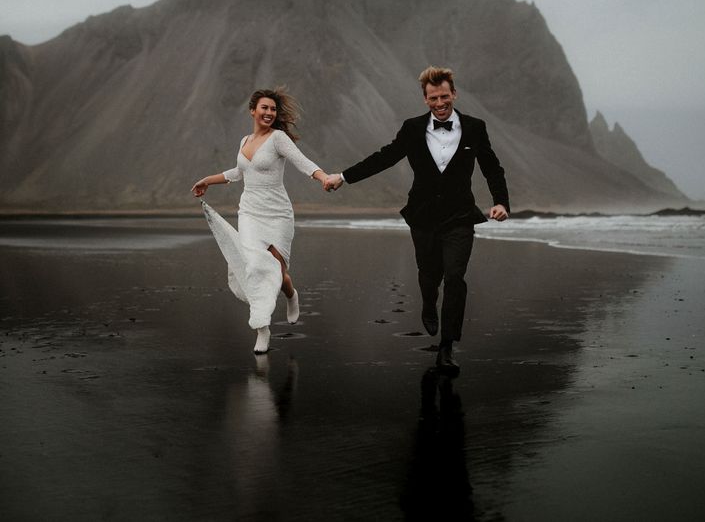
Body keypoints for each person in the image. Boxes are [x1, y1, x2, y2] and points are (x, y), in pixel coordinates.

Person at [324, 66, 509, 374]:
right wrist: (343, 177)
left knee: (454, 277)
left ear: (454, 94)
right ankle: (427, 303)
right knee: (429, 274)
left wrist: (500, 201)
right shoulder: (412, 128)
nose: (440, 103)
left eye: (445, 96)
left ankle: (447, 347)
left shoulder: (476, 127)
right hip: (423, 217)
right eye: (434, 98)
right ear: (425, 99)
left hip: (460, 217)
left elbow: (492, 167)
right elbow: (384, 157)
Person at [192, 88, 330, 354]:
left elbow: (301, 161)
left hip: (278, 213)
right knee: (255, 267)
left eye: (273, 109)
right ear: (252, 110)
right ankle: (262, 329)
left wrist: (322, 176)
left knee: (277, 271)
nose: (269, 113)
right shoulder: (244, 140)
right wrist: (207, 180)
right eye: (264, 108)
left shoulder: (278, 138)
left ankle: (291, 295)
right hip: (250, 213)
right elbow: (239, 172)